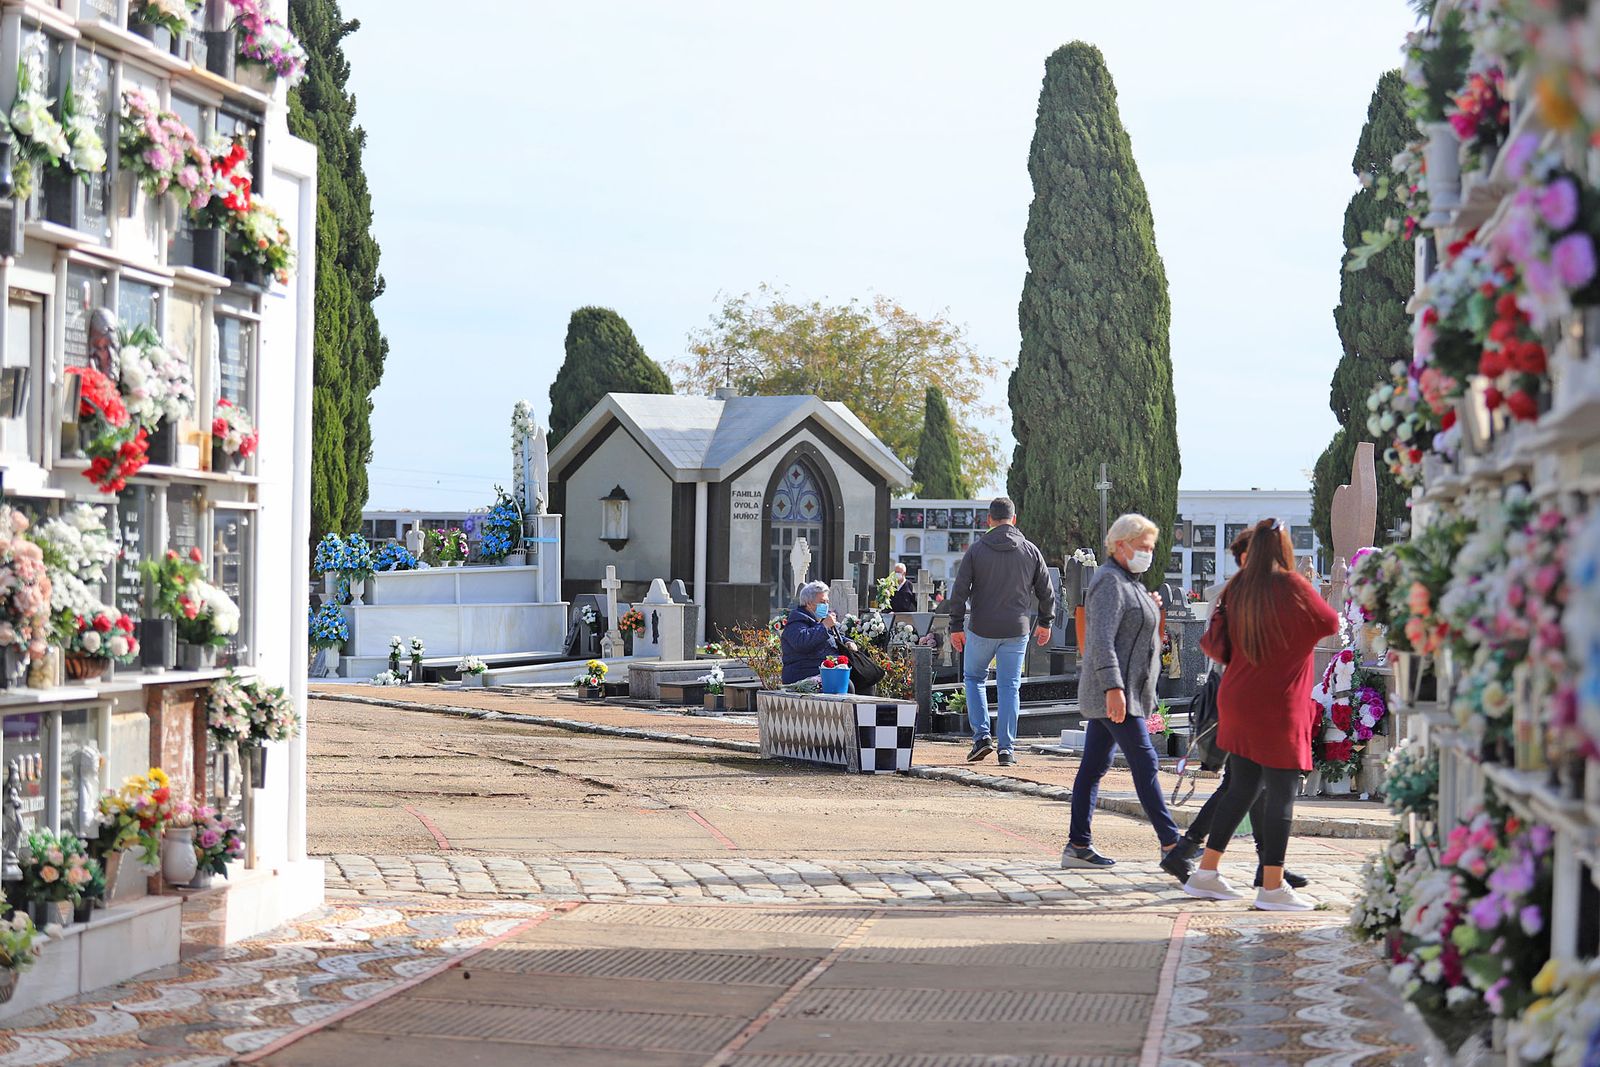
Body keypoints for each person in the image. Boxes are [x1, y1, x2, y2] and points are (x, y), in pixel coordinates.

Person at [1182, 518, 1340, 911]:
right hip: (1277, 701)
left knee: (1242, 787)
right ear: (1284, 550)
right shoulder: (1290, 585)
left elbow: (1220, 645)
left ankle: (1206, 873)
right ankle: (1271, 887)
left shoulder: (1239, 587)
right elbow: (1330, 622)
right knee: (1282, 794)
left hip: (1238, 698)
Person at [1161, 530, 1312, 889]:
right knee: (1241, 785)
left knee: (1250, 784)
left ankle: (1265, 865)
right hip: (1244, 700)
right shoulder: (1246, 592)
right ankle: (1186, 852)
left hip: (1241, 698)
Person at [1064, 513, 1185, 871]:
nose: (1148, 553)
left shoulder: (1129, 581)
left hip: (1127, 692)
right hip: (1114, 692)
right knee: (1145, 760)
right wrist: (1114, 687)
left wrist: (1154, 607)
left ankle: (1078, 845)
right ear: (1121, 545)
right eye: (1143, 547)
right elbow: (1099, 640)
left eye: (1151, 547)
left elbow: (1140, 628)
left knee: (1093, 767)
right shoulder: (1108, 582)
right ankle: (1170, 842)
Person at [947, 497, 1055, 768]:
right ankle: (1006, 749)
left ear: (989, 520)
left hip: (982, 628)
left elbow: (959, 592)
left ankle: (982, 737)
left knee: (973, 678)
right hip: (1016, 629)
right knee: (1009, 687)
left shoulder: (976, 550)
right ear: (1014, 519)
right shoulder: (1031, 551)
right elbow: (1047, 591)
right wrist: (1045, 623)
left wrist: (956, 627)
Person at [780, 581, 845, 685]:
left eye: (827, 602)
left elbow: (838, 636)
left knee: (865, 679)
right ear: (809, 603)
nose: (826, 606)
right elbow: (801, 642)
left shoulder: (823, 619)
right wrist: (824, 626)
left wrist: (849, 642)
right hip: (804, 674)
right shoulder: (796, 621)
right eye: (822, 602)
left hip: (829, 670)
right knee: (845, 684)